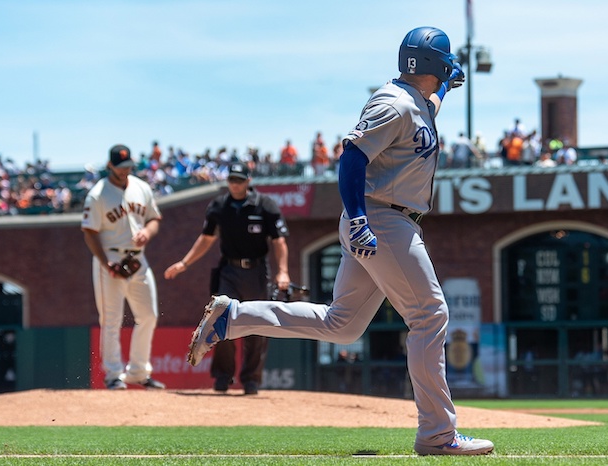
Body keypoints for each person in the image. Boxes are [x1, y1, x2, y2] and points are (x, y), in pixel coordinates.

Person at [184, 27, 494, 456]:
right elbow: (352, 157)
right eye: (444, 63)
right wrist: (363, 219)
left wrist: (445, 85)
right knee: (430, 315)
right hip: (382, 217)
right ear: (431, 64)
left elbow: (426, 105)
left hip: (382, 216)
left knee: (342, 325)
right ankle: (438, 434)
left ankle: (233, 317)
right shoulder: (395, 104)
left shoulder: (417, 102)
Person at [164, 162, 291, 395]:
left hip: (256, 272)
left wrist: (283, 271)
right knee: (221, 319)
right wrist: (184, 263)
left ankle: (251, 380)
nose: (235, 184)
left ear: (248, 181)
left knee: (257, 324)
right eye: (232, 180)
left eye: (240, 180)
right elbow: (206, 238)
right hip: (228, 271)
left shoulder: (265, 205)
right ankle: (223, 377)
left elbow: (279, 241)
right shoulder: (219, 206)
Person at [81, 144, 166, 390]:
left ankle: (139, 372)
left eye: (128, 166)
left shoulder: (142, 187)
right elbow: (89, 232)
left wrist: (147, 233)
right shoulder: (97, 195)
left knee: (149, 315)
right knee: (111, 319)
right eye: (120, 167)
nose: (124, 170)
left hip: (138, 259)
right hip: (111, 259)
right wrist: (105, 262)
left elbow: (153, 218)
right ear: (109, 166)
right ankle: (114, 375)